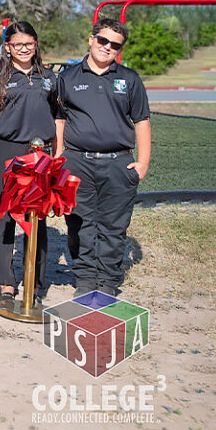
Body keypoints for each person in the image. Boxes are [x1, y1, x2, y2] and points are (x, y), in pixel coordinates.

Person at [55, 18, 151, 297]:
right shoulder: (68, 77)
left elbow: (142, 121)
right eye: (103, 40)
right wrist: (60, 158)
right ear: (91, 39)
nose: (107, 47)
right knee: (78, 223)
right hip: (77, 162)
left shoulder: (130, 79)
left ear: (120, 49)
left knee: (113, 226)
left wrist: (142, 163)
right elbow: (59, 120)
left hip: (118, 163)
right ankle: (85, 279)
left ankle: (108, 282)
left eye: (115, 45)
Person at [0, 21, 56, 305]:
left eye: (29, 43)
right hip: (9, 150)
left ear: (36, 44)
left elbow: (56, 112)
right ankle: (5, 282)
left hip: (40, 152)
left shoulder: (49, 77)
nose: (24, 49)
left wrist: (53, 150)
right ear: (8, 47)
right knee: (6, 214)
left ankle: (34, 282)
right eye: (18, 44)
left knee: (37, 216)